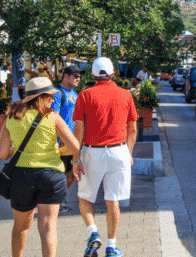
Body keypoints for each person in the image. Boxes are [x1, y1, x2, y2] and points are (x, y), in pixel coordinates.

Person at [0, 76, 83, 257]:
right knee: (48, 227)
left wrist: (17, 150)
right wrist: (59, 151)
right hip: (51, 176)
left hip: (21, 176)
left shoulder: (12, 116)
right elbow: (74, 147)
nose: (53, 99)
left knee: (20, 227)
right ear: (40, 97)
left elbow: (1, 153)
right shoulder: (53, 117)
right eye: (50, 96)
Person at [73, 57, 137, 257]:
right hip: (119, 151)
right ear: (113, 74)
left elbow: (78, 130)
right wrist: (129, 153)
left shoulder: (84, 95)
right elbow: (133, 129)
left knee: (84, 198)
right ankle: (111, 247)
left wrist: (76, 158)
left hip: (93, 151)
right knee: (113, 201)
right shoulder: (126, 95)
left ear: (92, 75)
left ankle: (93, 233)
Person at [50, 64, 82, 211]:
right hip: (60, 143)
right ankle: (55, 203)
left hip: (72, 142)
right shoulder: (57, 93)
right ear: (66, 76)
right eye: (75, 76)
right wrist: (60, 137)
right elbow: (53, 117)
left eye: (79, 76)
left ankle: (58, 201)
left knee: (71, 173)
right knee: (61, 174)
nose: (78, 78)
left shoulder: (76, 94)